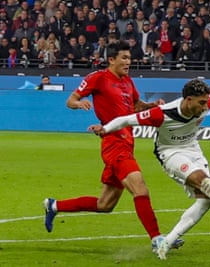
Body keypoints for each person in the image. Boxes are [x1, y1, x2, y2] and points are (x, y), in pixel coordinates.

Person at [88, 78, 210, 260]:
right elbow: (125, 120)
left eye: (206, 102)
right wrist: (105, 129)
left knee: (206, 201)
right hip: (170, 153)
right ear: (188, 100)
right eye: (201, 103)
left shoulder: (207, 101)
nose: (205, 107)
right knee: (205, 183)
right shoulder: (161, 114)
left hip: (193, 148)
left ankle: (167, 242)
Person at [42, 40, 183, 253]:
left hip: (127, 142)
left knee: (104, 205)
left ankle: (53, 205)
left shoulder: (127, 82)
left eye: (130, 58)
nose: (128, 62)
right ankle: (157, 239)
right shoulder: (98, 78)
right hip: (114, 145)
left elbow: (136, 106)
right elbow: (71, 99)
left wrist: (152, 106)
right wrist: (79, 104)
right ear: (111, 59)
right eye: (124, 58)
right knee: (140, 187)